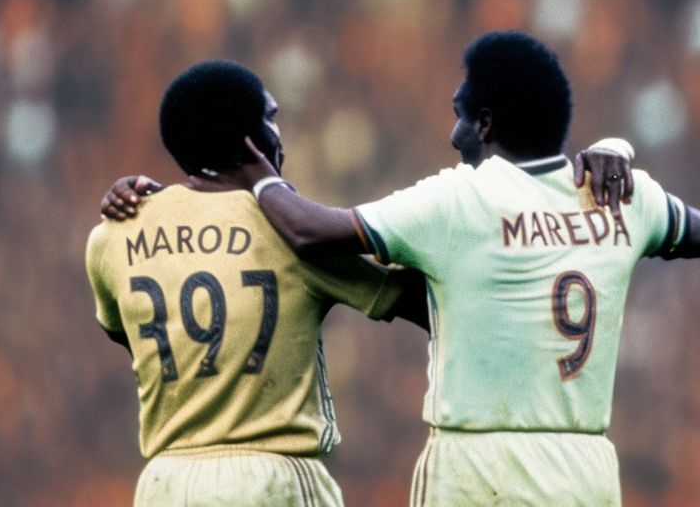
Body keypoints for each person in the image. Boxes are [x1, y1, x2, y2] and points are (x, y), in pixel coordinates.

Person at [151, 31, 698, 505]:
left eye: (460, 115)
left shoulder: (462, 200)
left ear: (485, 124)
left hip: (479, 466)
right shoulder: (625, 197)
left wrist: (257, 171)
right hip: (587, 468)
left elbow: (309, 231)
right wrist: (617, 149)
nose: (453, 135)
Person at [85, 60, 429, 507]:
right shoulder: (291, 234)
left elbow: (124, 332)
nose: (278, 134)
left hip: (163, 485)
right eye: (271, 118)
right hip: (271, 476)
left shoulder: (112, 236)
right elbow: (415, 301)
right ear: (249, 141)